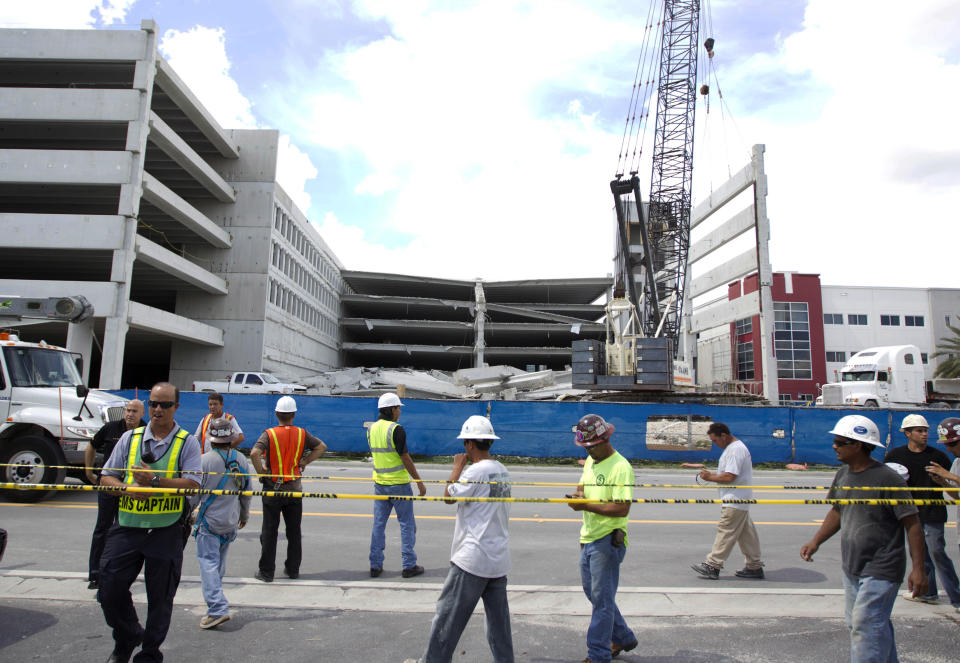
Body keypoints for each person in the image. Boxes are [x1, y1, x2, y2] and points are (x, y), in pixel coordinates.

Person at [801, 414, 927, 663]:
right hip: (852, 567)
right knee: (867, 625)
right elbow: (837, 511)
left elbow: (912, 523)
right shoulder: (843, 475)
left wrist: (919, 569)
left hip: (882, 567)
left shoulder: (887, 478)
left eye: (840, 441)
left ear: (857, 445)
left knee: (865, 626)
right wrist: (815, 541)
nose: (834, 446)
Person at [97, 382, 202, 663]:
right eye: (154, 403)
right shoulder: (130, 439)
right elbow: (106, 477)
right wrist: (128, 489)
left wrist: (156, 482)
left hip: (165, 530)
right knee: (108, 588)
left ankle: (149, 652)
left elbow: (193, 484)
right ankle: (128, 634)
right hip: (128, 526)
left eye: (165, 405)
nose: (157, 409)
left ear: (175, 407)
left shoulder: (187, 442)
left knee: (160, 597)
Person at [419, 415, 514, 663]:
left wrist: (457, 467)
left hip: (472, 559)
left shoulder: (474, 472)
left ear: (470, 444)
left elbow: (449, 496)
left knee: (446, 620)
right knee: (498, 627)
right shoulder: (502, 471)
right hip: (498, 560)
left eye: (465, 444)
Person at [567, 414, 637, 663]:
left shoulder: (621, 467)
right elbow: (582, 488)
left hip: (607, 541)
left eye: (591, 447)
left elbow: (621, 508)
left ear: (605, 439)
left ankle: (598, 654)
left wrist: (585, 506)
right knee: (596, 595)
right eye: (585, 448)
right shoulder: (590, 462)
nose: (588, 451)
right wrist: (578, 497)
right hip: (589, 538)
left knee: (602, 602)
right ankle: (623, 637)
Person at [884, 413, 960, 608]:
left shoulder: (938, 456)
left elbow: (952, 489)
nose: (924, 434)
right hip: (909, 513)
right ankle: (928, 593)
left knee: (937, 552)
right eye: (919, 431)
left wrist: (943, 480)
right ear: (908, 433)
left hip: (933, 512)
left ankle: (956, 597)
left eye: (926, 431)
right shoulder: (895, 456)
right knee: (920, 554)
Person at [250, 395, 326, 582]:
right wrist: (304, 461)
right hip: (294, 489)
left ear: (277, 413)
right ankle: (292, 569)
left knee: (269, 531)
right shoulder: (302, 434)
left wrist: (262, 472)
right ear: (293, 414)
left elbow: (254, 453)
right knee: (294, 532)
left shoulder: (269, 434)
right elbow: (321, 447)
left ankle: (267, 572)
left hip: (273, 489)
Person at [193, 416, 253, 629]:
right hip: (231, 521)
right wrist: (244, 516)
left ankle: (217, 608)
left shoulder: (204, 461)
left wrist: (187, 514)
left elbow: (194, 493)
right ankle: (214, 602)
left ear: (211, 439)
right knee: (217, 565)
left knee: (208, 563)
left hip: (210, 522)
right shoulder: (241, 459)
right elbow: (247, 493)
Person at [690, 422, 764, 580]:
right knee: (746, 534)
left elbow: (730, 476)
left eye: (715, 440)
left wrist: (710, 477)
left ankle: (713, 565)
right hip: (740, 498)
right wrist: (713, 475)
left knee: (726, 530)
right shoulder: (736, 448)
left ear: (723, 435)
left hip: (734, 499)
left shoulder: (735, 450)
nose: (715, 444)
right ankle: (754, 566)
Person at [85, 399, 146, 590]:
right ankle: (95, 574)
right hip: (110, 487)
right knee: (102, 528)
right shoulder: (111, 428)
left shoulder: (146, 431)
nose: (130, 414)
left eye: (134, 411)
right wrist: (88, 471)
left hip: (130, 490)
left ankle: (119, 573)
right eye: (128, 410)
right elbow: (92, 446)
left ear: (142, 413)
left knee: (126, 530)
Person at [368, 392, 427, 578]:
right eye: (398, 408)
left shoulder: (371, 429)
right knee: (407, 524)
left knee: (378, 524)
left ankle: (375, 565)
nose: (400, 411)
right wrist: (419, 481)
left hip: (380, 483)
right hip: (399, 484)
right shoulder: (396, 429)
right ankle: (409, 565)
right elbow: (405, 458)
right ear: (392, 409)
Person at [925, 417, 960, 615]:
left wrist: (951, 476)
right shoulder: (957, 462)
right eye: (948, 444)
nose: (950, 449)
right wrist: (943, 482)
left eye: (953, 444)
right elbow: (956, 495)